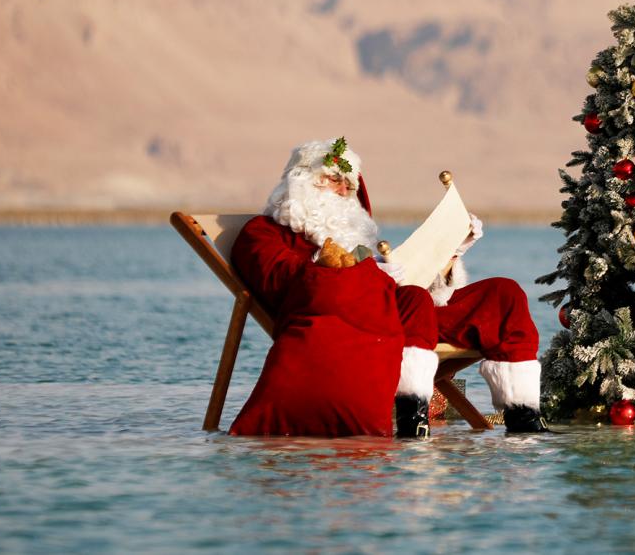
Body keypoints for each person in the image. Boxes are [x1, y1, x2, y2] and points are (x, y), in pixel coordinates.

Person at [227, 137, 547, 438]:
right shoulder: (262, 234)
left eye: (349, 185)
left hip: (401, 318)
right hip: (351, 331)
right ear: (300, 184)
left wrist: (448, 255)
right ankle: (412, 420)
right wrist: (365, 274)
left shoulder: (356, 239)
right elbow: (285, 281)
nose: (342, 191)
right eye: (333, 179)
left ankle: (524, 420)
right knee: (414, 300)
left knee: (502, 297)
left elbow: (421, 293)